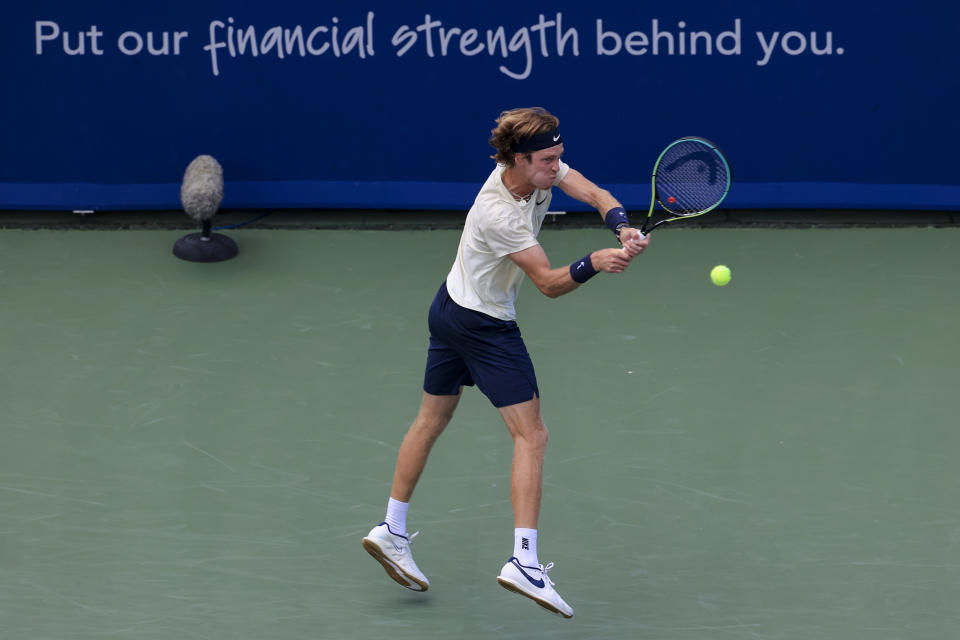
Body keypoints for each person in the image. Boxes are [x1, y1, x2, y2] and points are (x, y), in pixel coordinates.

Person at [362, 107, 649, 619]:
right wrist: (595, 262)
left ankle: (391, 530)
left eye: (559, 156)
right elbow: (549, 284)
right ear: (518, 160)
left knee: (431, 418)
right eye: (547, 161)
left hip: (448, 307)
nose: (557, 167)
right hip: (482, 325)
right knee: (531, 435)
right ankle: (524, 562)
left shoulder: (541, 167)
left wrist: (622, 228)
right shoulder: (499, 213)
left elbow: (598, 195)